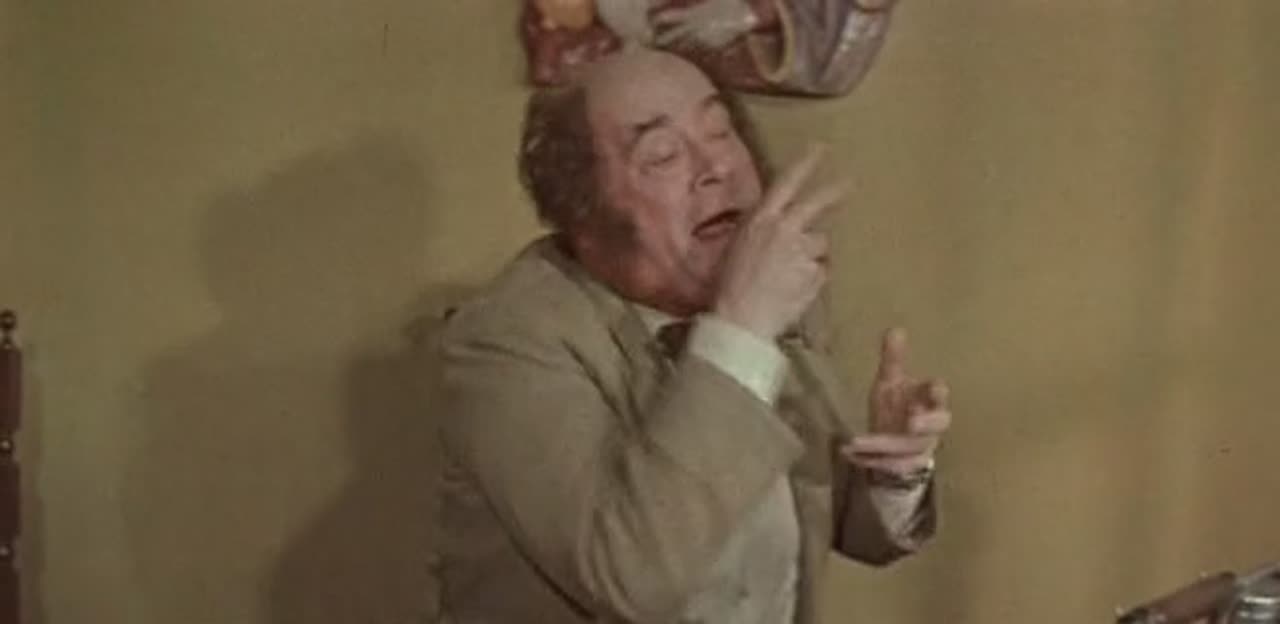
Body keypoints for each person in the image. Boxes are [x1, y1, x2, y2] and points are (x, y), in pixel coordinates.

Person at [431, 48, 951, 623]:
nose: (717, 166)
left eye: (721, 131)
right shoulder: (505, 343)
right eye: (662, 154)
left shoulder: (772, 300)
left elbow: (824, 518)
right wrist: (743, 329)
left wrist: (895, 474)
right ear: (582, 216)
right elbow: (630, 576)